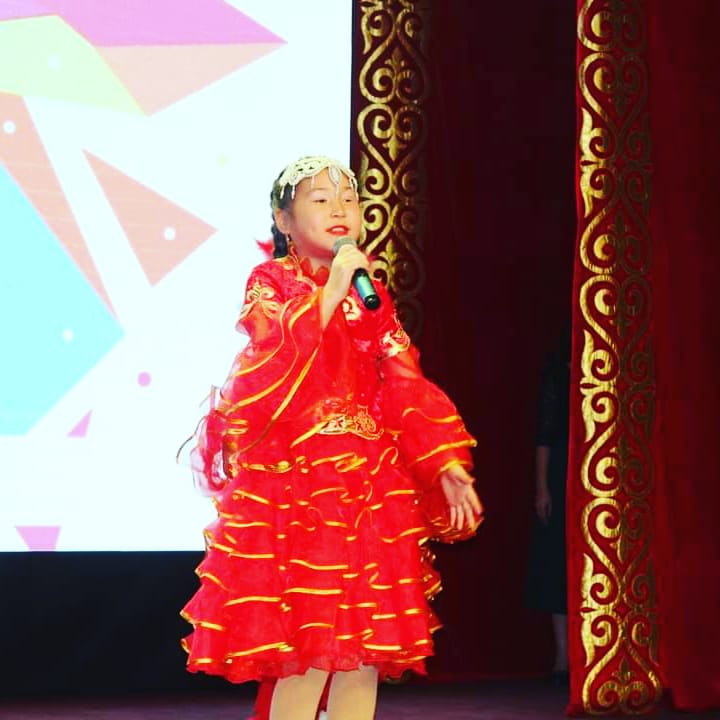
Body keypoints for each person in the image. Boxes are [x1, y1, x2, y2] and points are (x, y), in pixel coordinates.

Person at [180, 155, 484, 720]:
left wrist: (444, 462)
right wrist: (332, 288)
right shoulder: (272, 282)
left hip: (370, 490)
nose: (340, 208)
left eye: (349, 199)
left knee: (362, 655)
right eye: (320, 200)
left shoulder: (371, 297)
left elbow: (404, 380)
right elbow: (264, 368)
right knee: (308, 651)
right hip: (300, 490)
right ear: (283, 220)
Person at [524, 324, 571, 682]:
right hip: (561, 473)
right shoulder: (558, 370)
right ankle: (562, 655)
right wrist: (542, 488)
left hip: (601, 474)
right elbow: (545, 432)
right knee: (557, 562)